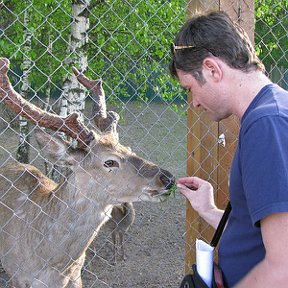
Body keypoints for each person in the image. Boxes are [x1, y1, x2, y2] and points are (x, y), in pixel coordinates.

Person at [171, 11, 288, 288]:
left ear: (212, 69)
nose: (195, 103)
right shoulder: (272, 110)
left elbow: (283, 267)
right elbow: (262, 234)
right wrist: (210, 210)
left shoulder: (267, 124)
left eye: (190, 88)